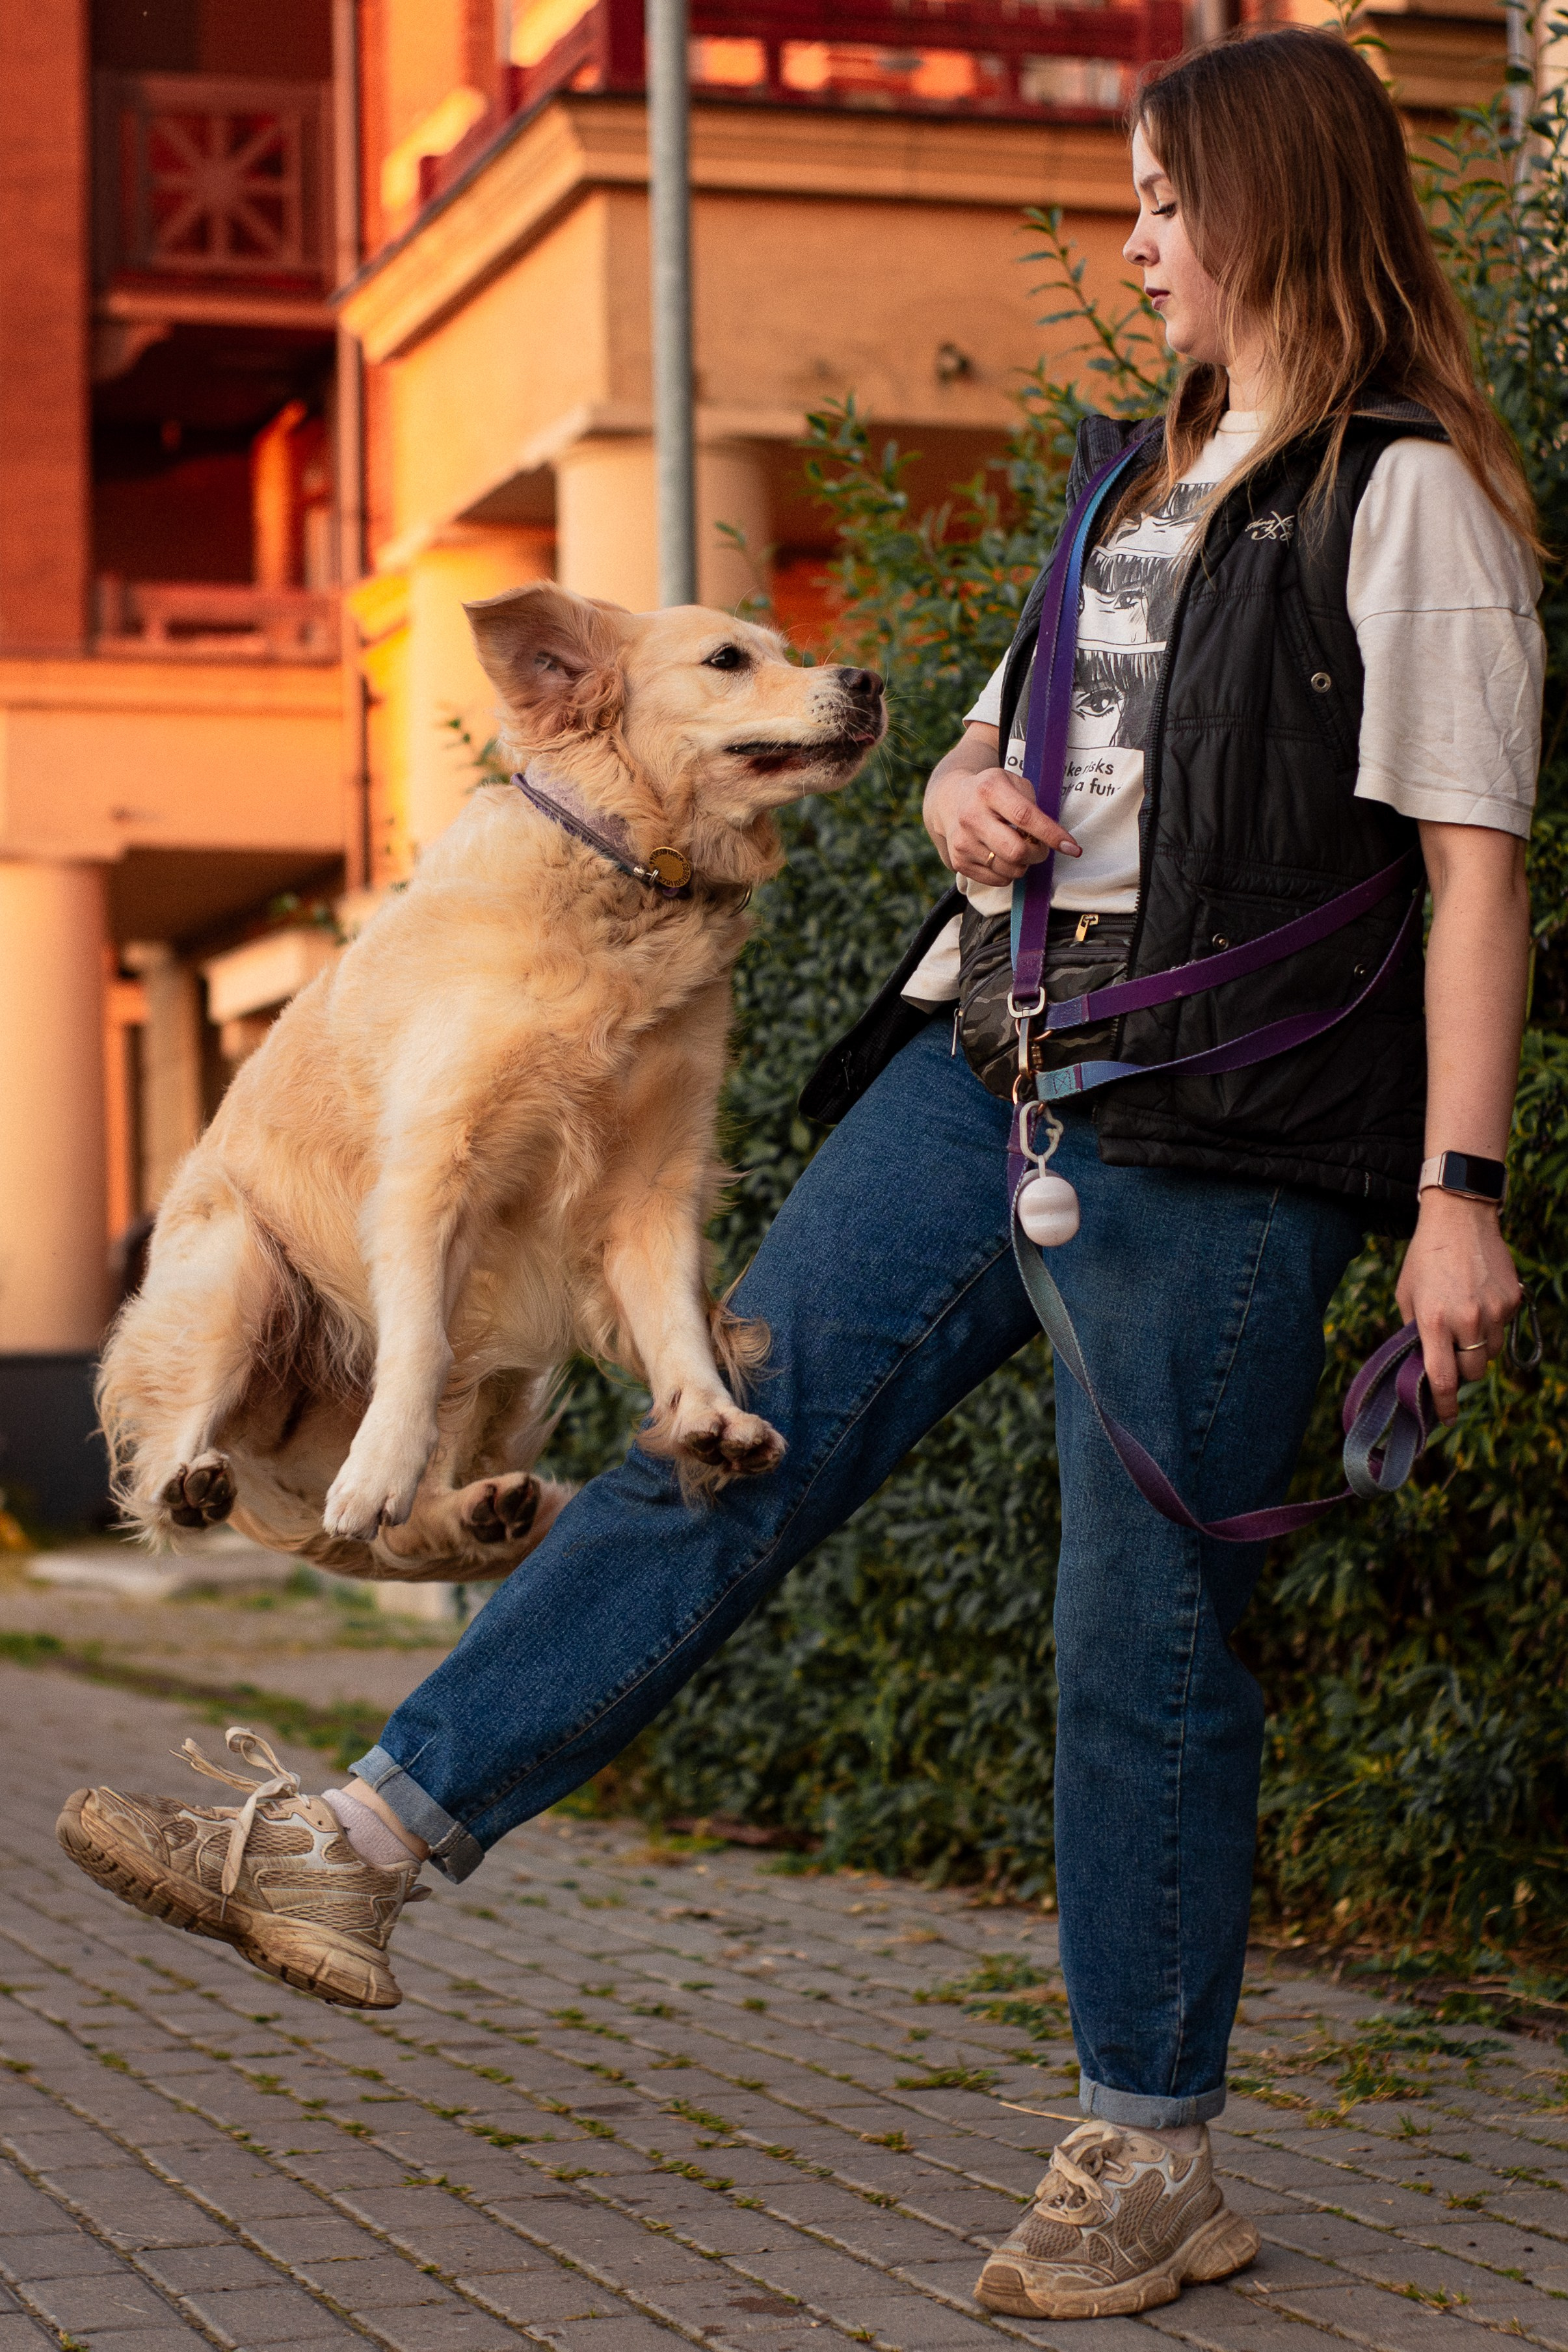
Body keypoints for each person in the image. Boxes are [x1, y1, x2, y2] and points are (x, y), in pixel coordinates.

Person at [59, 27, 1543, 2323]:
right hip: (990, 1063)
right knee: (709, 1440)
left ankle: (1150, 2154)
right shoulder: (1128, 482)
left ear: (1262, 209)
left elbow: (1467, 876)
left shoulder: (1403, 496)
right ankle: (359, 1846)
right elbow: (1014, 744)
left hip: (1228, 1126)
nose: (1136, 242)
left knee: (1138, 1643)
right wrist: (960, 786)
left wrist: (1459, 1187)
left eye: (1163, 203)